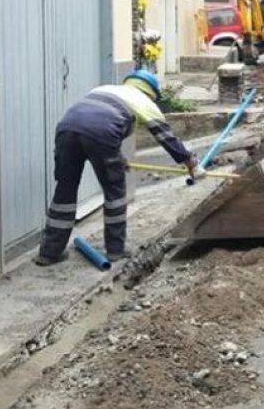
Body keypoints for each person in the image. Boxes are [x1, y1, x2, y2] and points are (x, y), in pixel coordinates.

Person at [34, 70, 202, 266]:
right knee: (114, 192)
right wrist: (190, 162)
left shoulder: (105, 89)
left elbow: (93, 120)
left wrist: (117, 157)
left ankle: (49, 252)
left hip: (66, 129)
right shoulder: (145, 103)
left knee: (65, 189)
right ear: (151, 94)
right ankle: (115, 250)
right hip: (101, 134)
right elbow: (167, 138)